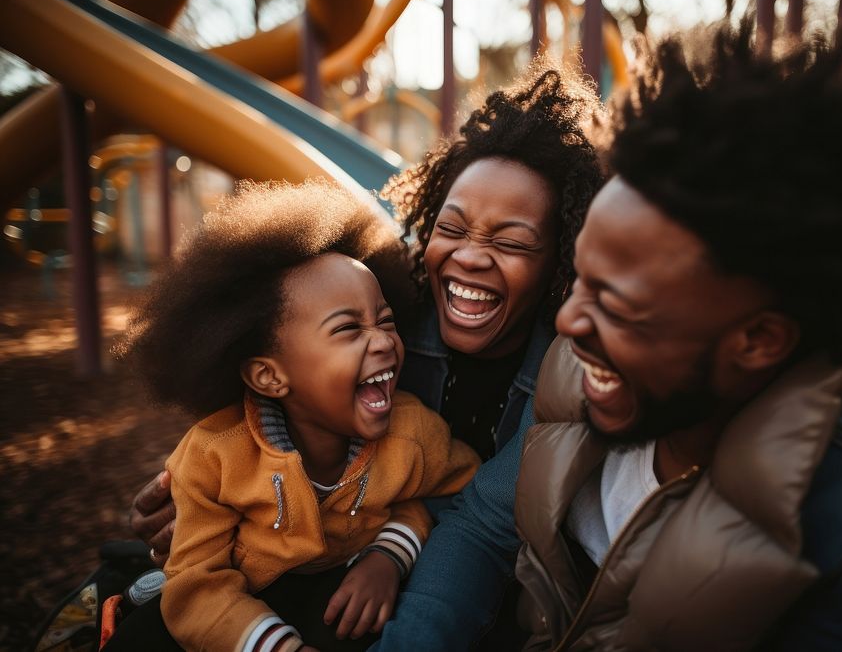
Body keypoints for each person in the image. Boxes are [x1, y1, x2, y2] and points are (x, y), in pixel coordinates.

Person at [377, 23, 842, 650]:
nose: (566, 325)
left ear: (758, 341)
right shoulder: (587, 354)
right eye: (583, 279)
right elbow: (485, 529)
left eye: (616, 304)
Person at [123, 63, 606, 643]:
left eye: (510, 242)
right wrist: (200, 497)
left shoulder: (566, 367)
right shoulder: (387, 298)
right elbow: (266, 387)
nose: (471, 257)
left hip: (444, 580)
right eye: (452, 230)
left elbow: (472, 515)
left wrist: (389, 552)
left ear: (561, 259)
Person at [103, 180, 480, 651]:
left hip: (338, 591)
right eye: (347, 329)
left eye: (385, 321)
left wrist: (389, 555)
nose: (383, 340)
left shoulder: (414, 433)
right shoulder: (213, 456)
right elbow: (195, 584)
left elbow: (459, 494)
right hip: (237, 607)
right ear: (269, 376)